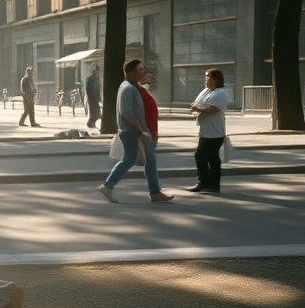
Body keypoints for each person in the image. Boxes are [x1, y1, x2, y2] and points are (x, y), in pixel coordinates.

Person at [98, 59, 172, 203]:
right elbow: (127, 112)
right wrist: (140, 129)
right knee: (130, 160)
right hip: (133, 131)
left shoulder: (131, 86)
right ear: (131, 73)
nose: (144, 71)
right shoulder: (128, 88)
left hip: (135, 131)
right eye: (140, 69)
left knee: (147, 160)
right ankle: (108, 185)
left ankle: (155, 192)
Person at [188, 68, 230, 194]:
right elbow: (197, 104)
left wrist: (198, 109)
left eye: (208, 77)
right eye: (205, 77)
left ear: (215, 79)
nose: (205, 79)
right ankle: (212, 185)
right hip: (205, 131)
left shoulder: (221, 93)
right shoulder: (206, 91)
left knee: (200, 155)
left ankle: (204, 182)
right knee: (212, 158)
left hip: (215, 132)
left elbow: (213, 109)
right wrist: (196, 107)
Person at [84, 64, 102, 130]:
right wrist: (90, 97)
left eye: (97, 71)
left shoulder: (97, 79)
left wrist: (99, 98)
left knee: (97, 112)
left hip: (96, 97)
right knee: (93, 112)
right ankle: (90, 123)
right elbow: (88, 89)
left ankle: (92, 123)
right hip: (91, 98)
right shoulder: (89, 79)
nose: (96, 72)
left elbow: (98, 89)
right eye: (95, 71)